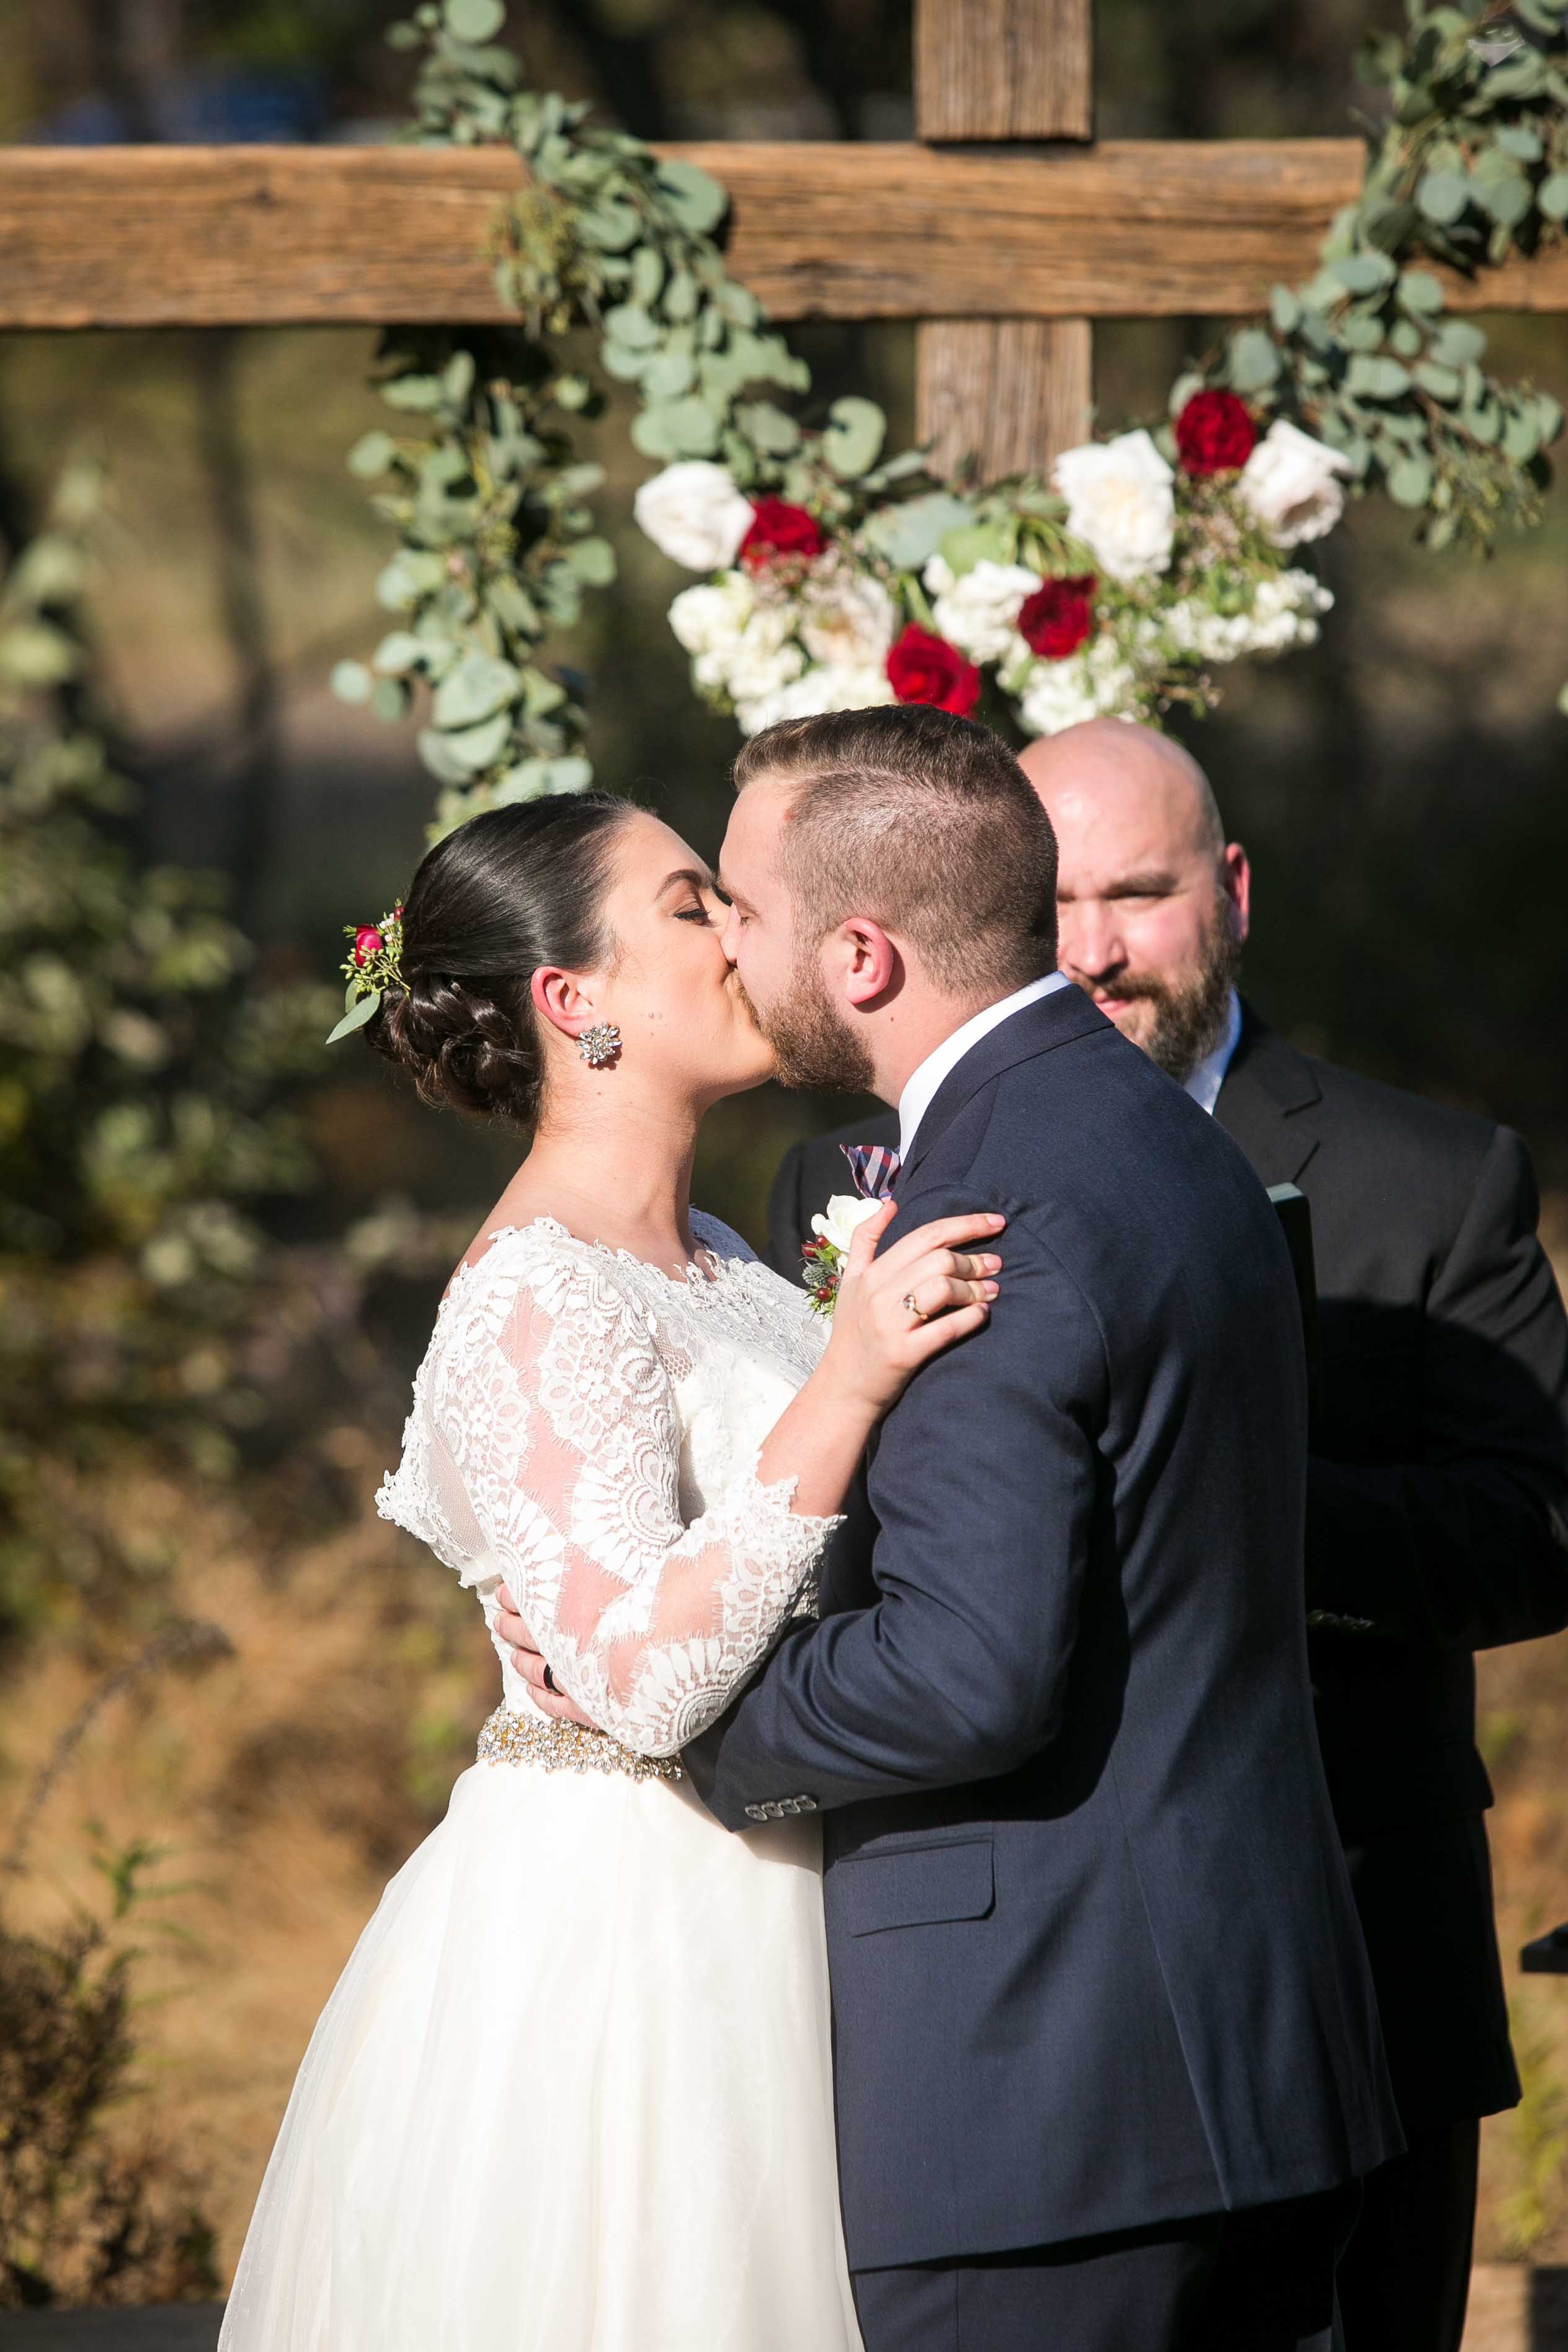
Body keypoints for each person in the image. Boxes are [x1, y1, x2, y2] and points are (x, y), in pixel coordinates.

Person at [507, 705, 1401, 2352]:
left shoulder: (994, 1211)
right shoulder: (1157, 1136)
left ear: (858, 957)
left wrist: (670, 1721)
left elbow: (963, 1673)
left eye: (741, 911)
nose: (726, 948)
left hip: (1051, 2104)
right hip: (1263, 2058)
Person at [769, 714, 1568, 2352]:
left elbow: (1538, 1529)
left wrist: (1213, 1504)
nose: (1092, 950)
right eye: (1056, 902)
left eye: (1138, 895)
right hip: (1010, 1974)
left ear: (1235, 890)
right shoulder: (848, 1172)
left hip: (1354, 1937)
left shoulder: (1429, 1176)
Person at [218, 790, 1005, 2352]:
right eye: (690, 904)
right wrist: (848, 1382)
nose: (738, 933)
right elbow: (638, 1681)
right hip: (634, 1934)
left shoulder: (722, 1258)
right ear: (573, 1001)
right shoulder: (543, 1289)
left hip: (783, 1872)